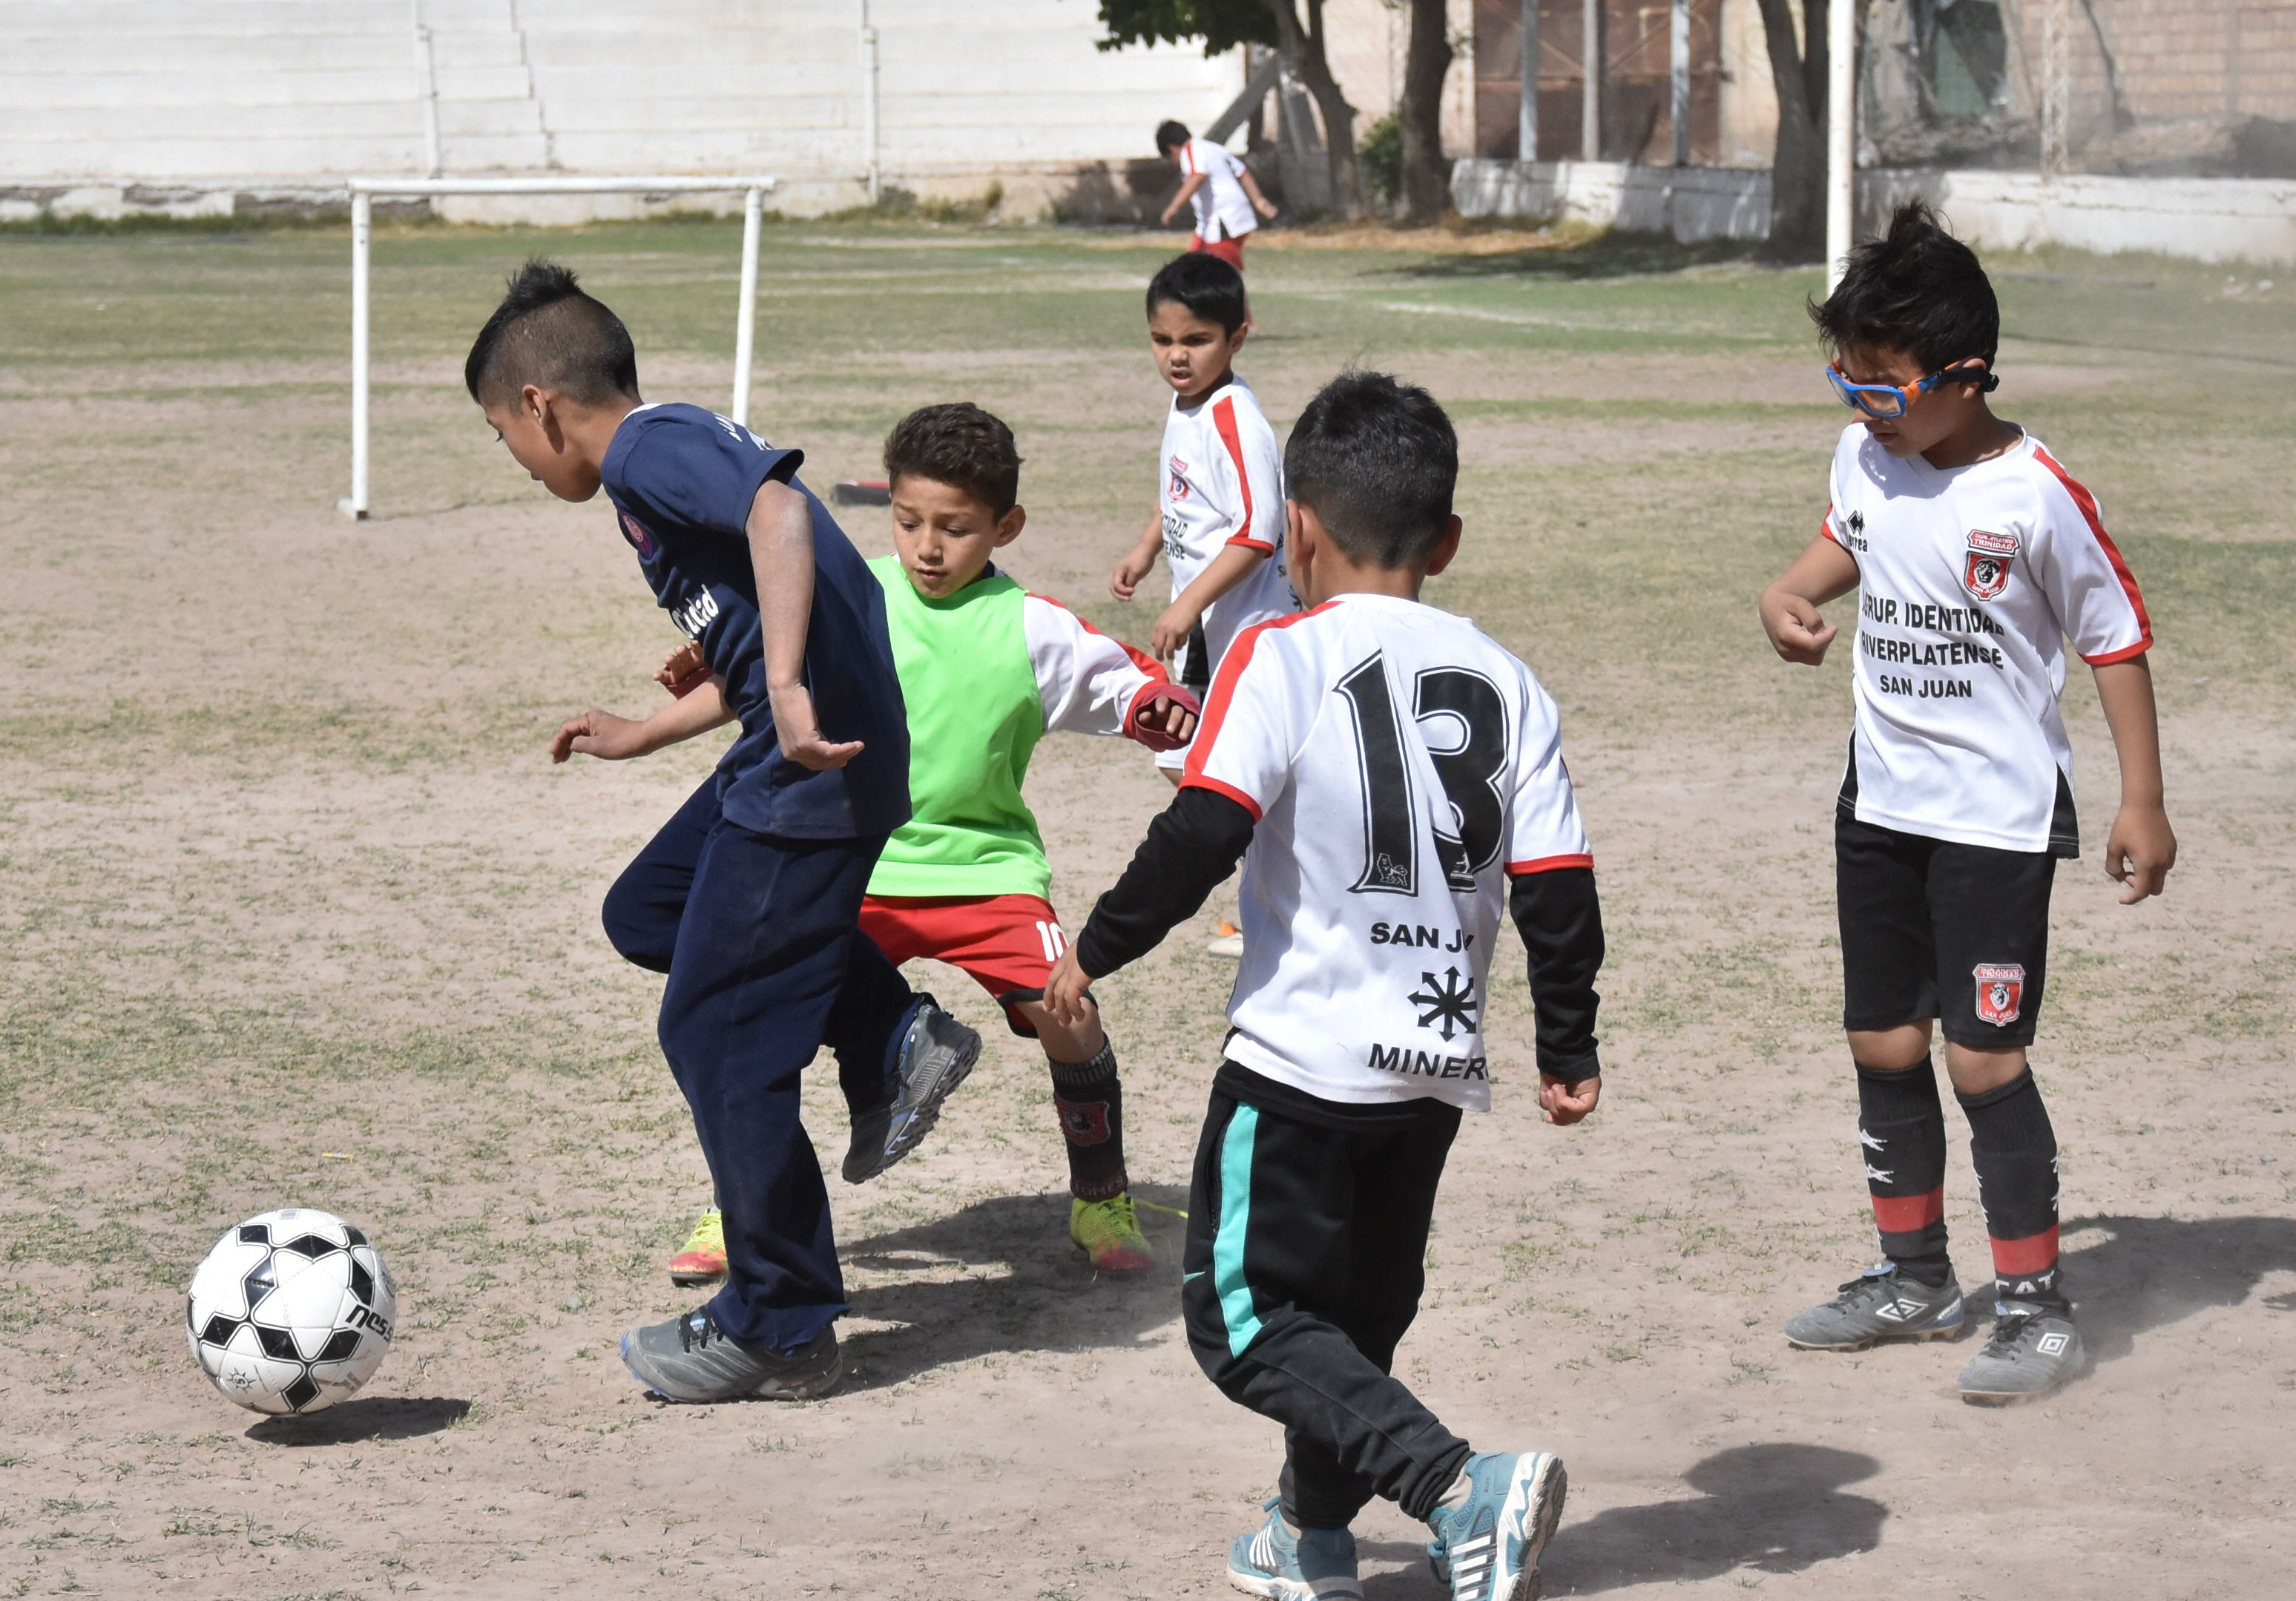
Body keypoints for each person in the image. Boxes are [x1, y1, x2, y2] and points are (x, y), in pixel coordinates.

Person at [1046, 370, 1608, 1601]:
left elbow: (1205, 829)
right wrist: (1567, 1043)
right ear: (1445, 541)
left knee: (1242, 1317)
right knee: (1352, 1319)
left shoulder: (1280, 650)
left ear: (1294, 526)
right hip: (1430, 1067)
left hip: (1300, 1061)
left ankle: (1460, 1484)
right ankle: (1309, 1535)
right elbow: (1558, 888)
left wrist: (1092, 948)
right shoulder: (1508, 678)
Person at [469, 259, 981, 1406]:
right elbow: (773, 604)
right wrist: (650, 727)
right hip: (793, 751)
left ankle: (780, 1323)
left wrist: (787, 687)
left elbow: (781, 509)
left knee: (717, 1034)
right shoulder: (656, 462)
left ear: (539, 405)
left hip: (813, 766)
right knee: (649, 910)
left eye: (503, 435)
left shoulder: (648, 448)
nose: (515, 459)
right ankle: (888, 1030)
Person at [1758, 202, 2175, 1405]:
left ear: (1966, 374)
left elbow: (2114, 639)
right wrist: (1787, 590)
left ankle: (2036, 1305)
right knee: (1883, 1041)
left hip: (1994, 818)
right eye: (1844, 380)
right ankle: (1914, 1278)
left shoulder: (2036, 496)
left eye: (1881, 386)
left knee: (1984, 1057)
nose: (1861, 407)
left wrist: (2141, 800)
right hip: (1880, 802)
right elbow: (1850, 539)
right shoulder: (1865, 456)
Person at [661, 402, 1202, 1282]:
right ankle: (741, 1205)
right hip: (856, 863)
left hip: (985, 871)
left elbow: (1131, 690)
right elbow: (764, 665)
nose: (926, 548)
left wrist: (1161, 711)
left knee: (1069, 1013)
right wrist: (706, 666)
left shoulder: (1029, 625)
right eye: (908, 521)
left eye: (955, 529)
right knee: (758, 1022)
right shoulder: (852, 592)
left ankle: (1101, 1198)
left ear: (1005, 526)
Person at [1156, 118, 1278, 272]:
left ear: (1172, 148)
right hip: (1218, 221)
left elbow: (1197, 176)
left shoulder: (1190, 151)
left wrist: (1174, 207)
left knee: (1219, 272)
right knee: (1193, 267)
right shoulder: (1213, 148)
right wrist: (1258, 200)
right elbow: (1242, 171)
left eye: (1169, 159)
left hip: (1224, 219)